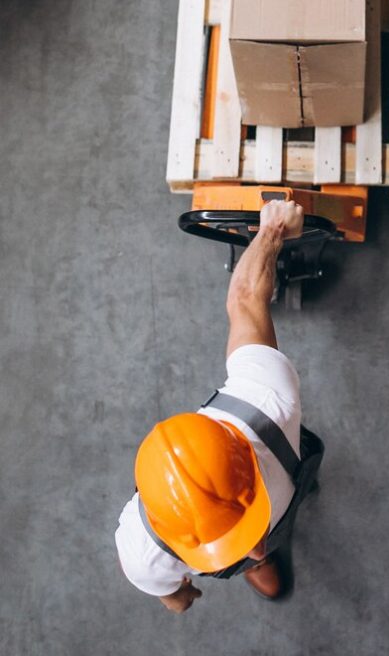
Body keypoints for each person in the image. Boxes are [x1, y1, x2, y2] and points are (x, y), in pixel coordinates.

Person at [115, 199, 323, 611]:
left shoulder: (267, 402)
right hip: (279, 474)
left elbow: (247, 299)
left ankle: (285, 499)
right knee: (267, 538)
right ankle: (246, 560)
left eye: (247, 535)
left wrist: (273, 232)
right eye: (237, 541)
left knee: (283, 511)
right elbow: (173, 599)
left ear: (247, 454)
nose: (258, 550)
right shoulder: (143, 556)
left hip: (279, 460)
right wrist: (181, 593)